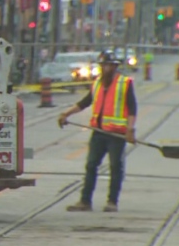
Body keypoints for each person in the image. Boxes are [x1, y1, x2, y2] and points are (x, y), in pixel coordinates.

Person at [58, 51, 137, 213]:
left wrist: (130, 130)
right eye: (103, 65)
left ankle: (112, 202)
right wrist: (66, 114)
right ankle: (85, 201)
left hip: (116, 135)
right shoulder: (97, 83)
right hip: (99, 133)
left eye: (109, 65)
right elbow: (84, 103)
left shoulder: (125, 83)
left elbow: (132, 109)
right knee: (91, 165)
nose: (106, 69)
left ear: (115, 67)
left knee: (115, 167)